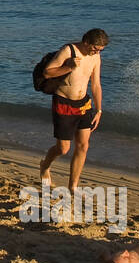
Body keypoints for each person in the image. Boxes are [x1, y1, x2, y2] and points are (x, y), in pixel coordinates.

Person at [38, 28, 108, 193]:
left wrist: (99, 110)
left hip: (84, 104)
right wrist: (68, 67)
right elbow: (47, 73)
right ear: (86, 42)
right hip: (63, 103)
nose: (97, 52)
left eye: (100, 50)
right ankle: (45, 166)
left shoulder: (96, 57)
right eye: (95, 48)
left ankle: (73, 187)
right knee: (63, 149)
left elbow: (96, 84)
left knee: (83, 146)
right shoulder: (68, 50)